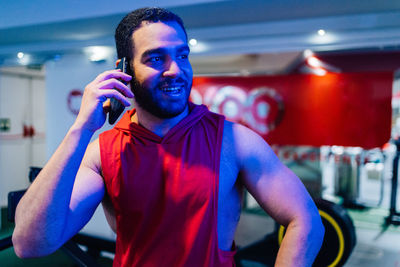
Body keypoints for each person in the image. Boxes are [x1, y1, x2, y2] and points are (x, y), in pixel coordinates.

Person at [12, 7, 324, 267]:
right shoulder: (102, 153)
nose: (175, 69)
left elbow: (305, 220)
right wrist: (80, 129)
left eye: (182, 55)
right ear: (124, 69)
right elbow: (30, 243)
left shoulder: (235, 142)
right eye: (156, 58)